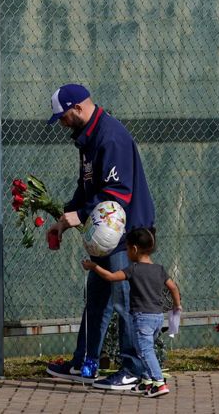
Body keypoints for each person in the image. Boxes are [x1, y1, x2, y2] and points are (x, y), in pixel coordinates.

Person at [43, 83, 155, 392]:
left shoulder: (111, 136)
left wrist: (79, 216)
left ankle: (133, 370)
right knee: (96, 299)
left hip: (126, 232)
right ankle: (84, 363)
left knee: (123, 301)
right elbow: (87, 187)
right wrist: (64, 216)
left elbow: (118, 193)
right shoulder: (87, 138)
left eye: (63, 117)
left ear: (77, 108)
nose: (62, 124)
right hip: (104, 231)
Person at [82, 228, 182, 398]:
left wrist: (94, 266)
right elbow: (173, 287)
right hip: (158, 317)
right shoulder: (159, 269)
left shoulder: (133, 269)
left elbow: (111, 277)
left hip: (142, 318)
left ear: (134, 249)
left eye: (127, 248)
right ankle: (146, 380)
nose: (127, 252)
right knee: (142, 348)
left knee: (145, 350)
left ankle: (159, 382)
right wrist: (176, 306)